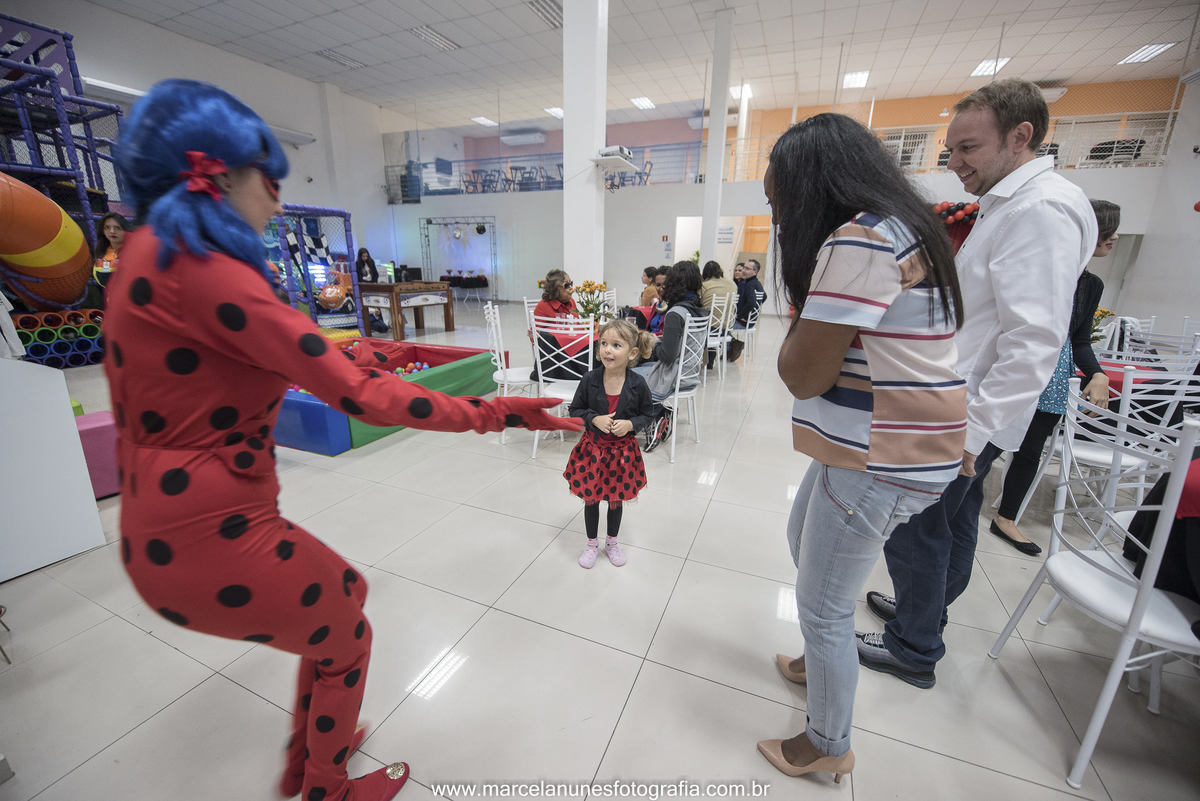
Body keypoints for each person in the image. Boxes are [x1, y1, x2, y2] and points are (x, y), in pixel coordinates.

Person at [105, 79, 580, 801]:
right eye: (268, 179)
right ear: (215, 176)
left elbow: (236, 362)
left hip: (163, 524)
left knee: (347, 596)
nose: (277, 200)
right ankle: (325, 784)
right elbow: (364, 398)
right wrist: (503, 412)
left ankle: (308, 753)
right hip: (208, 530)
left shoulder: (144, 255)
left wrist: (357, 354)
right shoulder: (210, 274)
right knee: (347, 637)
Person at [859, 78, 1098, 689]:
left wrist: (975, 432)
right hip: (966, 404)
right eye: (951, 150)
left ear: (1021, 137)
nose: (954, 164)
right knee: (955, 524)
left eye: (967, 148)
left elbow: (1034, 339)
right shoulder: (1011, 204)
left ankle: (912, 646)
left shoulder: (1040, 209)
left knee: (914, 525)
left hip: (966, 412)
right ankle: (924, 614)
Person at [755, 113, 966, 783]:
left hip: (884, 451)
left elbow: (802, 372)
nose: (781, 218)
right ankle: (823, 662)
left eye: (779, 201)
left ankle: (827, 740)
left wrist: (800, 325)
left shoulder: (863, 240)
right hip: (884, 440)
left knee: (823, 603)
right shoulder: (903, 222)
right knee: (803, 539)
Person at [988, 200, 1120, 555]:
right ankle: (949, 505)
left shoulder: (1091, 285)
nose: (1115, 237)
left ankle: (1006, 518)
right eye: (1109, 229)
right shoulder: (1042, 271)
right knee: (989, 440)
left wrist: (1097, 373)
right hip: (1020, 363)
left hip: (1056, 372)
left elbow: (1078, 340)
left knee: (1031, 449)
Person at [565, 319, 656, 568]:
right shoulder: (589, 379)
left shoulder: (637, 384)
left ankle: (612, 543)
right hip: (592, 451)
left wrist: (630, 425)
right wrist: (594, 418)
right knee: (591, 499)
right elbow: (575, 409)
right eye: (604, 343)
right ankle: (592, 543)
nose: (607, 350)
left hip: (622, 454)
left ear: (632, 353)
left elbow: (648, 414)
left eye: (616, 345)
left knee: (616, 500)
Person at [632, 260, 707, 451]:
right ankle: (659, 413)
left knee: (629, 376)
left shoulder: (676, 312)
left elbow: (666, 356)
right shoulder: (698, 310)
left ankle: (653, 418)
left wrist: (653, 343)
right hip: (690, 374)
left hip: (674, 377)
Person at [88, 212, 133, 306]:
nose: (112, 231)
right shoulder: (101, 251)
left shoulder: (133, 250)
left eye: (117, 228)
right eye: (107, 227)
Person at [700, 261, 737, 369]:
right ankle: (711, 360)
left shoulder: (704, 286)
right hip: (727, 327)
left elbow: (698, 304)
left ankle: (703, 361)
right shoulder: (732, 284)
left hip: (709, 328)